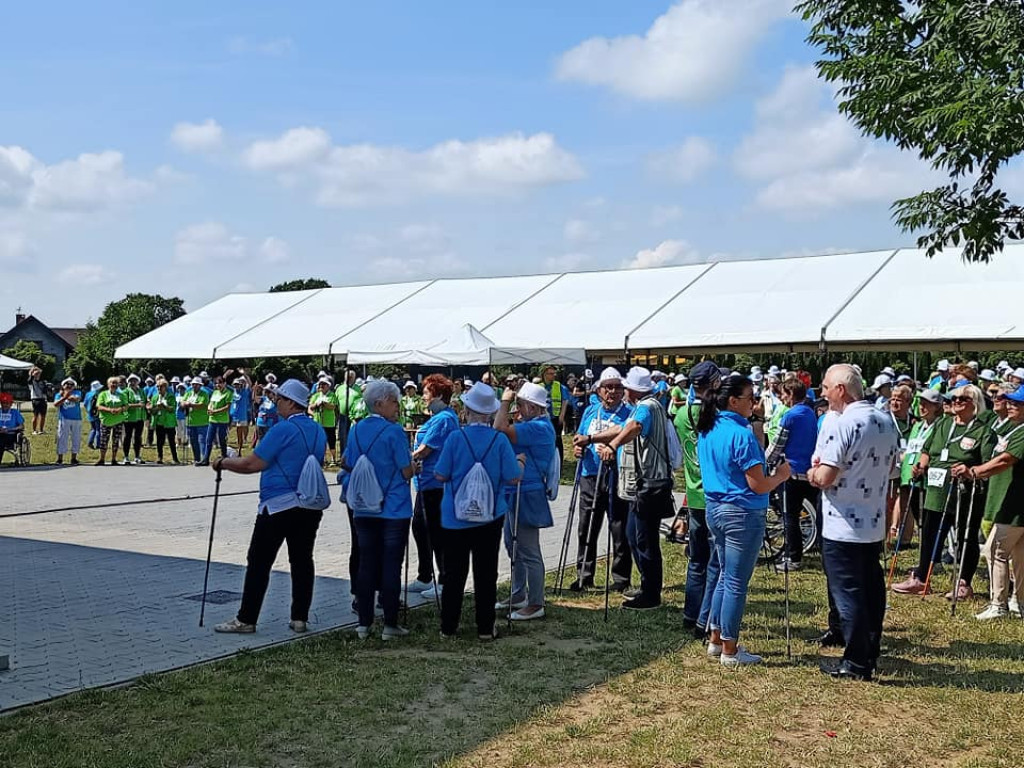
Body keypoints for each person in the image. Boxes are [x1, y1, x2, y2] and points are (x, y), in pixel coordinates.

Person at [212, 379, 327, 634]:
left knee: (259, 561)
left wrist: (223, 463)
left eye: (280, 399)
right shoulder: (318, 430)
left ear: (290, 403)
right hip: (308, 504)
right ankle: (300, 618)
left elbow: (253, 464)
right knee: (302, 559)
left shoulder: (282, 429)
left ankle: (246, 619)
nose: (276, 403)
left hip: (277, 505)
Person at [810, 364, 899, 681]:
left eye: (824, 387)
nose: (821, 393)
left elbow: (825, 475)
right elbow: (892, 470)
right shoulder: (886, 420)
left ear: (840, 390)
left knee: (848, 594)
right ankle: (869, 650)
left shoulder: (843, 422)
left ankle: (857, 661)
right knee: (871, 590)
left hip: (842, 522)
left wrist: (813, 472)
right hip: (872, 519)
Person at [697, 373, 790, 666]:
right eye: (751, 397)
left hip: (716, 508)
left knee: (725, 575)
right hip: (742, 512)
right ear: (734, 401)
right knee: (736, 581)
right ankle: (730, 649)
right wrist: (781, 476)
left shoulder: (708, 429)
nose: (755, 403)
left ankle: (717, 638)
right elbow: (758, 484)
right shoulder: (742, 435)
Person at [434, 382, 520, 639]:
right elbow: (513, 477)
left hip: (454, 517)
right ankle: (485, 627)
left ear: (467, 410)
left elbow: (440, 474)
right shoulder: (499, 440)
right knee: (486, 572)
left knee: (454, 573)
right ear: (491, 412)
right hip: (490, 515)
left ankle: (448, 627)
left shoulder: (455, 438)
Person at [894, 384, 989, 599]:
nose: (955, 402)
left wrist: (968, 471)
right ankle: (921, 578)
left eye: (961, 399)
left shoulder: (981, 430)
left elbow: (985, 463)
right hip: (936, 490)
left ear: (974, 403)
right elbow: (928, 449)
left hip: (964, 493)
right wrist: (921, 465)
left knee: (966, 536)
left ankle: (964, 582)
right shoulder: (943, 424)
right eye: (953, 399)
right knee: (928, 534)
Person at [340, 379, 417, 641]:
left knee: (366, 564)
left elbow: (347, 461)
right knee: (391, 565)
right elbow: (406, 470)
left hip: (364, 506)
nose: (397, 406)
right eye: (394, 401)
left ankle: (363, 623)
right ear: (380, 403)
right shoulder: (394, 432)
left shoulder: (356, 428)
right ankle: (390, 624)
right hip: (394, 508)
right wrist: (414, 467)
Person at [598, 367, 674, 610]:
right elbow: (626, 426)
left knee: (645, 539)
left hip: (649, 484)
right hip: (649, 484)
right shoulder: (650, 405)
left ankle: (651, 595)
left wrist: (613, 445)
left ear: (631, 389)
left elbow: (633, 428)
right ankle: (647, 585)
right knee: (634, 534)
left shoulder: (645, 407)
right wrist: (596, 439)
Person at [494, 381, 555, 621]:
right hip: (516, 490)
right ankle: (518, 593)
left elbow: (500, 427)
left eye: (520, 405)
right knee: (513, 544)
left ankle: (536, 602)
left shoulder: (538, 427)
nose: (517, 410)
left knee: (529, 550)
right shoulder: (532, 424)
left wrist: (505, 400)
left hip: (527, 493)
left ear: (532, 407)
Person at [961, 385, 1024, 619]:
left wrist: (975, 472)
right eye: (1009, 401)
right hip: (1009, 502)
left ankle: (998, 604)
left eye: (1017, 403)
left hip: (1015, 504)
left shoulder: (1022, 432)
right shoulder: (1014, 429)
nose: (1010, 405)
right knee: (1019, 555)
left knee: (993, 551)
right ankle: (1018, 602)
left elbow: (1004, 461)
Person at [570, 367, 633, 593]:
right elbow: (580, 437)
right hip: (590, 473)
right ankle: (584, 576)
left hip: (617, 474)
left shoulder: (629, 412)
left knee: (619, 527)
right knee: (587, 527)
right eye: (608, 387)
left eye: (617, 387)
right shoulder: (590, 411)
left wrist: (592, 439)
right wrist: (579, 448)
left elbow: (623, 430)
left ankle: (621, 578)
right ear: (598, 391)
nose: (613, 392)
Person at [675, 361, 720, 637]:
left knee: (696, 559)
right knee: (715, 563)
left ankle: (691, 613)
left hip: (693, 493)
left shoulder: (681, 414)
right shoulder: (715, 415)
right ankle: (708, 617)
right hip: (715, 494)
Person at [410, 374, 460, 601]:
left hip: (435, 484)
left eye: (427, 392)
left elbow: (425, 450)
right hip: (425, 482)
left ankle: (443, 579)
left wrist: (402, 460)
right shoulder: (437, 417)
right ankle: (424, 575)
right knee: (420, 527)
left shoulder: (444, 419)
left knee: (436, 532)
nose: (424, 396)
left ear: (439, 395)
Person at [776, 377, 819, 571]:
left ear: (791, 395)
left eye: (784, 394)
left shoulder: (789, 416)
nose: (782, 398)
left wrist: (765, 462)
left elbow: (778, 444)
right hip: (808, 470)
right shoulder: (811, 413)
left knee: (790, 516)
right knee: (817, 513)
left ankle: (793, 557)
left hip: (790, 472)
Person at [95, 376, 126, 466]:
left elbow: (126, 406)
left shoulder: (122, 395)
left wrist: (120, 409)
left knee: (115, 440)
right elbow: (99, 406)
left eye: (115, 383)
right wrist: (109, 410)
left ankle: (114, 459)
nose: (113, 385)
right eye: (112, 383)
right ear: (108, 384)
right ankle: (102, 459)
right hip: (106, 421)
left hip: (118, 421)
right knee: (103, 440)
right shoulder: (103, 394)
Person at [309, 377, 339, 466]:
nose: (321, 386)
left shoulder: (332, 395)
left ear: (328, 386)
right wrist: (316, 404)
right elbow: (310, 406)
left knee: (331, 441)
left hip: (329, 422)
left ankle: (333, 459)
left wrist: (324, 403)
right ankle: (323, 458)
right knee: (320, 441)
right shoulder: (316, 396)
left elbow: (333, 407)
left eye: (323, 384)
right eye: (320, 384)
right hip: (318, 422)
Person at [541, 365, 568, 465]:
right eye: (551, 373)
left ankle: (559, 462)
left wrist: (562, 415)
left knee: (557, 440)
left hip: (556, 418)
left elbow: (565, 400)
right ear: (544, 374)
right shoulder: (539, 386)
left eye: (554, 373)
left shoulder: (559, 386)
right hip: (543, 419)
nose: (554, 375)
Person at [149, 378, 180, 464]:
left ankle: (175, 458)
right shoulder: (155, 397)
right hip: (159, 422)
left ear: (165, 387)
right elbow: (153, 411)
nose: (159, 388)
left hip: (169, 423)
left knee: (171, 442)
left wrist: (164, 406)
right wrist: (154, 408)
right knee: (159, 441)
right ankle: (160, 457)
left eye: (161, 386)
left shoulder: (170, 396)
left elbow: (172, 409)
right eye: (157, 387)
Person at [53, 377, 82, 465]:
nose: (69, 386)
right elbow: (56, 404)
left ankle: (74, 458)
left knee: (76, 438)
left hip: (76, 419)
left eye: (71, 384)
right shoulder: (58, 395)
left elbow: (76, 399)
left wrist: (65, 396)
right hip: (64, 418)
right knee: (62, 437)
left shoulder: (77, 392)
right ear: (63, 385)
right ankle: (60, 458)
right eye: (67, 384)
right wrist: (64, 397)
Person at [205, 376, 232, 465]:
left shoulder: (228, 393)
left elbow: (227, 407)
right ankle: (205, 459)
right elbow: (211, 403)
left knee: (222, 440)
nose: (218, 385)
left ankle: (224, 457)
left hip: (222, 420)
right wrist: (209, 408)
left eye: (220, 383)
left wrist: (215, 411)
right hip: (212, 419)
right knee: (209, 440)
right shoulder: (215, 392)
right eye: (216, 383)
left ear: (224, 383)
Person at [334, 370, 361, 456]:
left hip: (355, 417)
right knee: (343, 437)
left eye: (351, 377)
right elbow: (335, 402)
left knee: (353, 436)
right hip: (342, 416)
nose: (349, 379)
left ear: (354, 378)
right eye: (347, 377)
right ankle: (343, 456)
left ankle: (353, 455)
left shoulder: (358, 389)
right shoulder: (339, 388)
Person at [121, 374, 146, 465]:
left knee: (138, 437)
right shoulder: (125, 391)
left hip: (140, 417)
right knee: (127, 437)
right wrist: (137, 405)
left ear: (138, 382)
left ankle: (137, 456)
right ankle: (126, 457)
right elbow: (125, 405)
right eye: (131, 381)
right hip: (129, 418)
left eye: (134, 380)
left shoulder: (141, 391)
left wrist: (149, 404)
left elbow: (145, 401)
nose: (133, 382)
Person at [229, 371, 253, 456]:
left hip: (241, 417)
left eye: (237, 384)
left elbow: (250, 384)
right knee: (226, 432)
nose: (236, 386)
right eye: (235, 384)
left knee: (239, 434)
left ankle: (239, 450)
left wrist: (245, 374)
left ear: (240, 385)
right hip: (232, 415)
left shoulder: (244, 392)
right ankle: (228, 448)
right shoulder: (232, 392)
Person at [0, 392, 26, 464]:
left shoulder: (15, 412)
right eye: (3, 403)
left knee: (1, 440)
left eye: (7, 403)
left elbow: (21, 426)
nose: (5, 405)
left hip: (11, 435)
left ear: (11, 404)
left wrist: (9, 429)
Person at [28, 366, 47, 435]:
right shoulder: (31, 381)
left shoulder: (43, 381)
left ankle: (41, 430)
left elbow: (45, 390)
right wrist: (32, 372)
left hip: (43, 399)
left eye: (38, 373)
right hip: (35, 399)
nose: (37, 374)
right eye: (36, 373)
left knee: (43, 415)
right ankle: (34, 430)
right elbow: (29, 380)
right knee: (36, 415)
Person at [83, 380, 103, 450]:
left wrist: (88, 410)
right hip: (98, 413)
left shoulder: (88, 394)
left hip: (90, 413)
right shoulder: (99, 394)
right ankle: (98, 444)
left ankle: (90, 442)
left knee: (93, 429)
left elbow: (85, 404)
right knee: (98, 429)